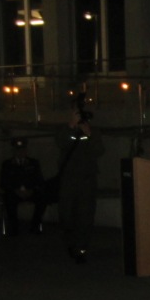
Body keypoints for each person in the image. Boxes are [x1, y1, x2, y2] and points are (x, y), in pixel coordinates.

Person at [56, 97, 105, 263]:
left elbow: (99, 150)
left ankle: (82, 248)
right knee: (67, 214)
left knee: (85, 215)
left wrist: (89, 134)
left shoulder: (93, 131)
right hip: (68, 179)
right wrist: (72, 126)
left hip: (86, 179)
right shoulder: (64, 130)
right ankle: (71, 244)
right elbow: (61, 143)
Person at [0, 136, 46, 235]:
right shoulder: (7, 164)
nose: (20, 152)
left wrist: (32, 190)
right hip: (14, 192)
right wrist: (15, 190)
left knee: (43, 199)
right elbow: (3, 182)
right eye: (18, 150)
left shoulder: (33, 163)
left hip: (30, 191)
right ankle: (14, 228)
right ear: (13, 151)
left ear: (26, 150)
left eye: (22, 149)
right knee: (9, 199)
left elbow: (39, 180)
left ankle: (35, 226)